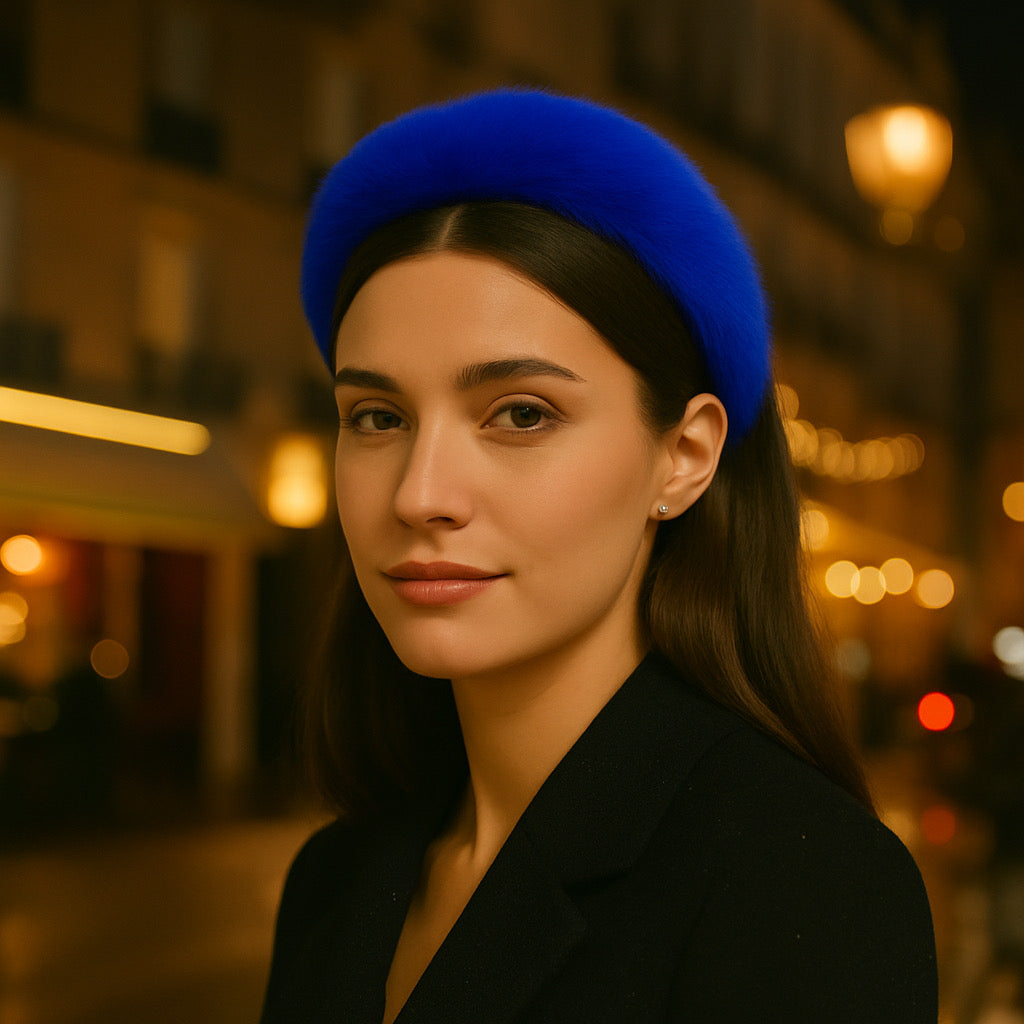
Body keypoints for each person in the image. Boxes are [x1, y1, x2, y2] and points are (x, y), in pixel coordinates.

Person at [260, 89, 937, 1023]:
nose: (419, 494)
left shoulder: (798, 883)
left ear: (684, 457)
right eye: (377, 417)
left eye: (521, 415)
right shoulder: (335, 880)